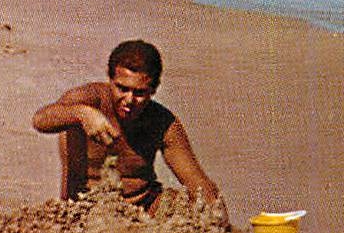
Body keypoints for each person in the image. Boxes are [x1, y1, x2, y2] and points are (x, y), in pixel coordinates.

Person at [32, 39, 221, 211]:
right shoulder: (87, 100)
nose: (129, 100)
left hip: (143, 207)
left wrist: (216, 217)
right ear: (110, 79)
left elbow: (197, 182)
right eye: (122, 88)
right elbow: (40, 120)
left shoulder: (163, 122)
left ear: (154, 89)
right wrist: (81, 114)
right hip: (86, 208)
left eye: (139, 93)